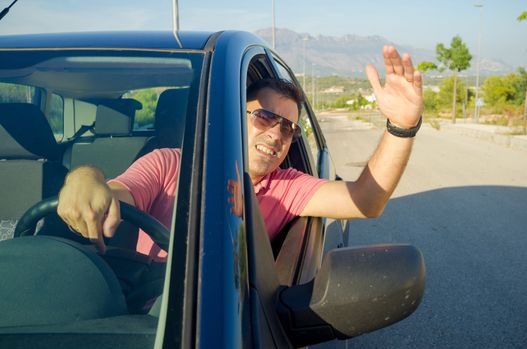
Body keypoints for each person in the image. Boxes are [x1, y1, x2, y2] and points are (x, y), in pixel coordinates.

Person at [58, 45, 423, 258]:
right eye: (265, 117)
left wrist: (402, 127)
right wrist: (85, 178)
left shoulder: (286, 186)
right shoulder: (169, 165)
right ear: (235, 117)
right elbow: (113, 196)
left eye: (290, 127)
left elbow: (367, 200)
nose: (278, 133)